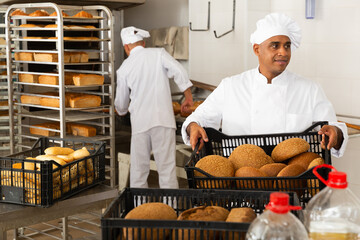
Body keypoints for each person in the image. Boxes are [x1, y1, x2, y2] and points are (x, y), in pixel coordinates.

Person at [182, 13, 348, 158]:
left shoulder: (309, 90)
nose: (283, 52)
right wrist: (193, 126)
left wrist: (336, 133)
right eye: (275, 45)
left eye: (287, 46)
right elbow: (198, 119)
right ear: (256, 49)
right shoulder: (231, 87)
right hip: (241, 183)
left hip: (294, 182)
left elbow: (333, 127)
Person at [115, 26, 193, 189]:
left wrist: (120, 110)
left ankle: (140, 210)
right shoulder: (158, 54)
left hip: (140, 124)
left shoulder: (124, 68)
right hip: (163, 120)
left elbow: (121, 105)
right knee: (167, 171)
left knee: (139, 172)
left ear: (126, 47)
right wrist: (188, 96)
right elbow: (179, 71)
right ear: (143, 43)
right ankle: (171, 211)